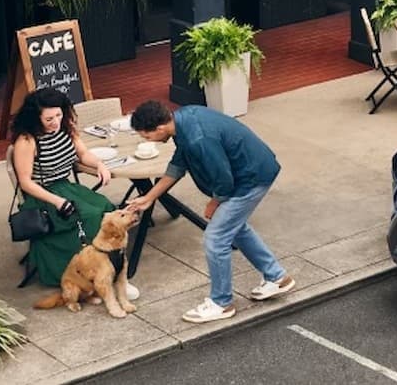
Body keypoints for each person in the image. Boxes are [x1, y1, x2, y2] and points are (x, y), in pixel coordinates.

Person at [125, 101, 295, 324]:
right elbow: (179, 164)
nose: (147, 141)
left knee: (215, 238)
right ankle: (276, 277)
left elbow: (223, 179)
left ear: (159, 129)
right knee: (234, 227)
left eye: (146, 137)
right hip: (253, 169)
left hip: (250, 179)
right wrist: (148, 198)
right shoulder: (182, 119)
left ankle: (221, 303)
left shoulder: (198, 138)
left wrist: (215, 203)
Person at [11, 88, 139, 299]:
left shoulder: (66, 129)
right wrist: (57, 201)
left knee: (106, 208)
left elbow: (82, 153)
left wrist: (99, 165)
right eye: (49, 118)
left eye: (59, 115)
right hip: (43, 195)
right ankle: (90, 276)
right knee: (88, 218)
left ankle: (110, 270)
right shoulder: (27, 140)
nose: (55, 122)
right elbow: (25, 182)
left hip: (66, 186)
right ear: (36, 117)